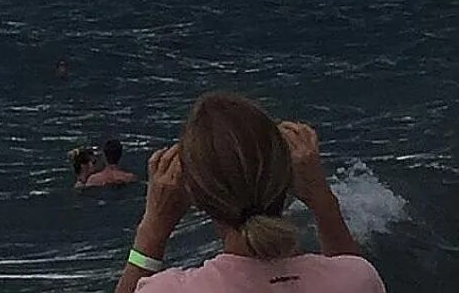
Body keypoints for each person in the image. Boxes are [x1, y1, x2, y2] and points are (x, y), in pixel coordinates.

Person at [114, 92, 386, 292]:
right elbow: (347, 268)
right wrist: (322, 200)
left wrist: (153, 230)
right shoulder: (357, 278)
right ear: (287, 177)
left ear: (195, 194)